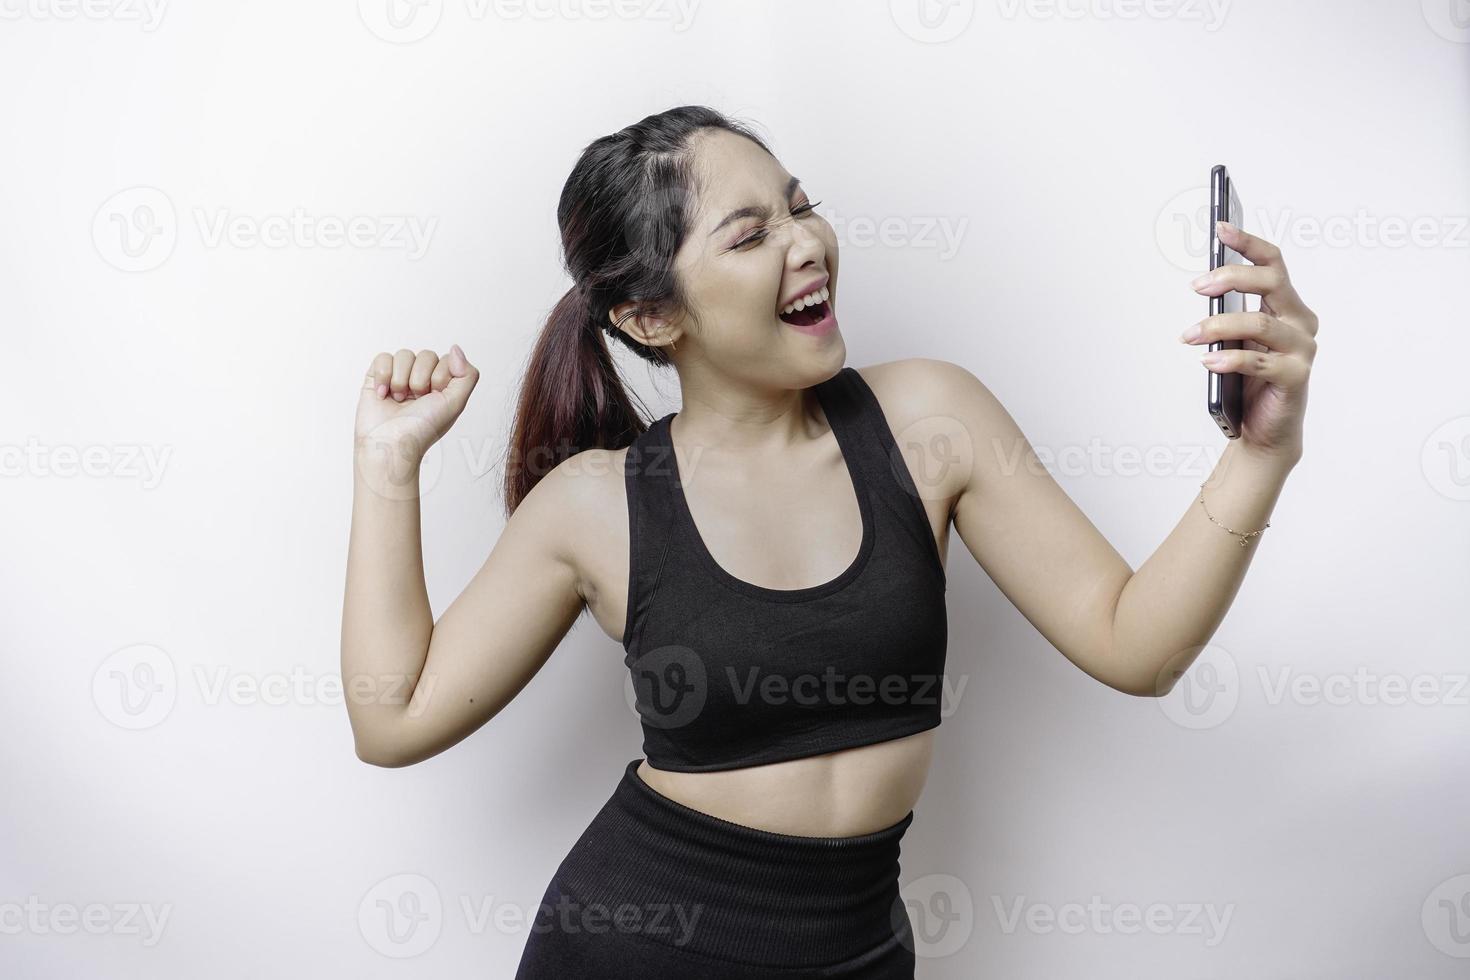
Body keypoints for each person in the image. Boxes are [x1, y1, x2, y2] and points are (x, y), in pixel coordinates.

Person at [341, 105, 1317, 977]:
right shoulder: (595, 504)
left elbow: (1134, 644)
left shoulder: (932, 418)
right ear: (651, 314)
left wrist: (1262, 453)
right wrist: (387, 467)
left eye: (801, 206)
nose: (806, 243)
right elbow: (393, 721)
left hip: (861, 950)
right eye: (751, 232)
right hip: (637, 951)